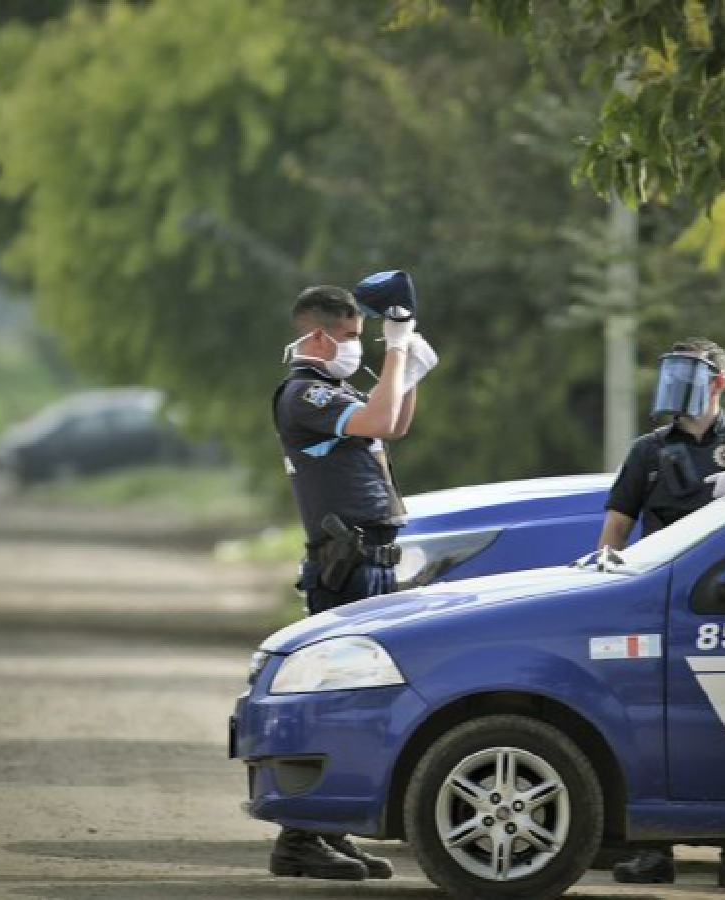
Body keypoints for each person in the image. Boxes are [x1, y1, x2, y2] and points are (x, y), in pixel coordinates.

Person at [268, 284, 435, 882]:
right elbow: (382, 419)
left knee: (365, 703)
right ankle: (300, 840)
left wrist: (407, 366)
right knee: (342, 703)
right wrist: (396, 351)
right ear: (316, 335)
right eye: (348, 338)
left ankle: (327, 831)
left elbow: (393, 425)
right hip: (346, 565)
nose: (354, 350)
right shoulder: (303, 393)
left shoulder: (333, 390)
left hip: (371, 561)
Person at [599, 338, 725, 891]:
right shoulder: (648, 450)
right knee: (656, 726)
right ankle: (654, 850)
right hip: (660, 603)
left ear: (718, 381)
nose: (677, 381)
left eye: (691, 372)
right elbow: (617, 525)